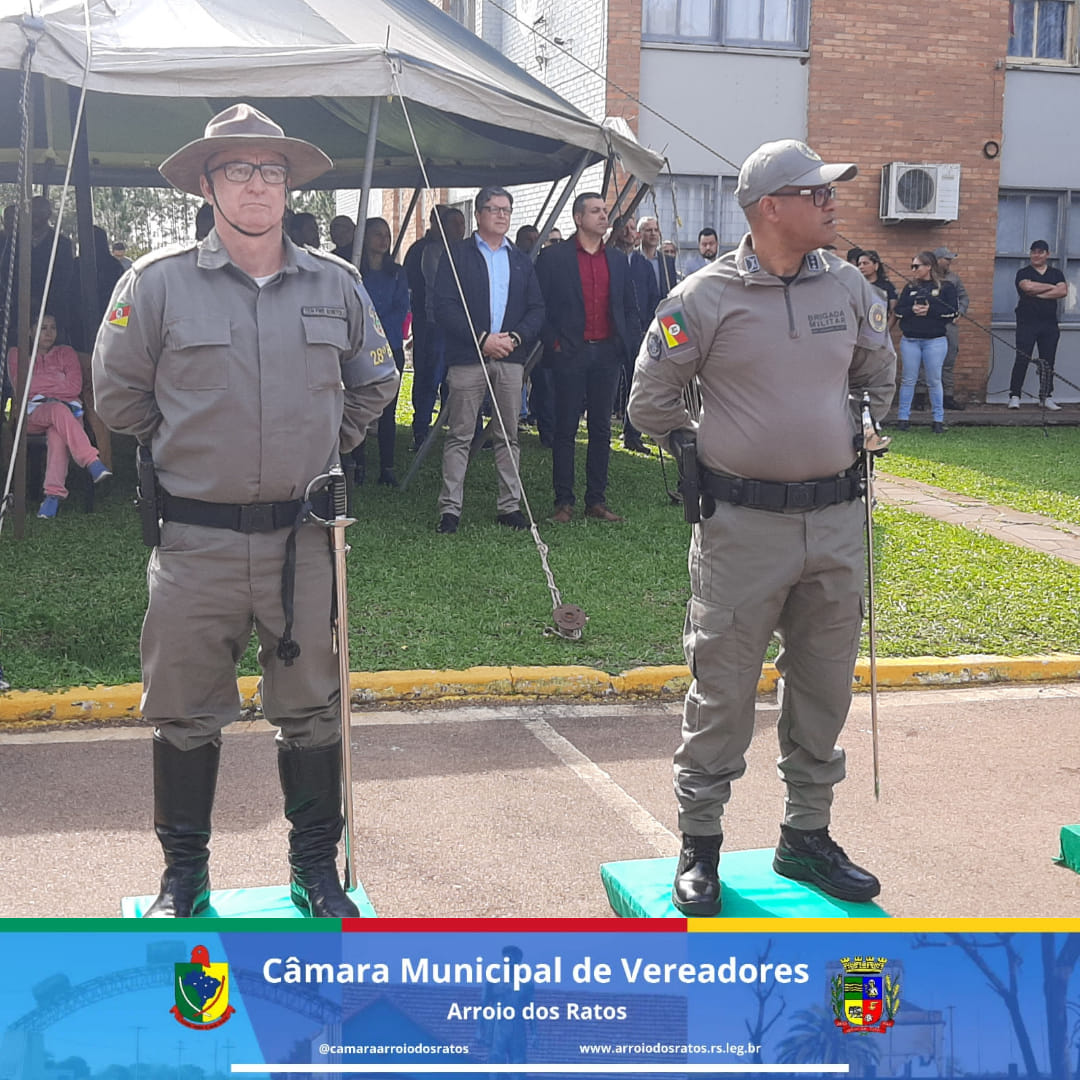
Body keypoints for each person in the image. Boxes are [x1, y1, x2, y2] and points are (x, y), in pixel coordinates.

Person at [92, 103, 399, 919]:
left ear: (289, 186)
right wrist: (198, 448)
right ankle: (183, 877)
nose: (257, 184)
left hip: (304, 541)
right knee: (186, 711)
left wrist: (321, 441)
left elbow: (375, 381)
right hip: (196, 541)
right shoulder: (154, 284)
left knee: (311, 709)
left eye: (271, 170)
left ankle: (315, 870)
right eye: (238, 169)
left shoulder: (337, 283)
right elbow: (119, 398)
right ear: (207, 183)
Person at [628, 138, 895, 916]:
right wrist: (701, 449)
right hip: (741, 528)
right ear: (769, 207)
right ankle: (699, 846)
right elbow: (650, 401)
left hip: (838, 520)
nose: (832, 204)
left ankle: (805, 836)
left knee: (823, 684)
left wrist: (859, 423)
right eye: (817, 194)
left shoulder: (845, 286)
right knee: (723, 690)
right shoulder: (701, 299)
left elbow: (877, 370)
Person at [433, 186, 544, 534]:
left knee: (508, 435)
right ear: (478, 214)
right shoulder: (457, 256)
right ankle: (450, 510)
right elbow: (444, 306)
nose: (501, 215)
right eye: (494, 209)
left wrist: (514, 338)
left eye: (507, 210)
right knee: (460, 435)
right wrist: (481, 338)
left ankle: (509, 506)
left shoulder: (520, 260)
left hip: (510, 358)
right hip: (469, 356)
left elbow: (537, 308)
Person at [536, 192, 641, 523]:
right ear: (578, 218)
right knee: (565, 429)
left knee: (600, 428)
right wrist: (554, 343)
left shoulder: (616, 260)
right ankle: (563, 502)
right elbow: (541, 306)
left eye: (605, 210)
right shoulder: (554, 258)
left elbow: (627, 306)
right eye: (595, 211)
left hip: (607, 352)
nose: (603, 216)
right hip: (570, 352)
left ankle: (596, 500)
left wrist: (626, 342)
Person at [9, 311, 111, 518]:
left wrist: (41, 383)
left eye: (53, 328)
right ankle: (91, 460)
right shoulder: (16, 354)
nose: (49, 333)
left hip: (68, 413)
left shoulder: (66, 353)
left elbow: (73, 387)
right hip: (33, 414)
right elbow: (22, 388)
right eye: (43, 328)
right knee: (58, 410)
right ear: (30, 331)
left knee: (57, 433)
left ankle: (52, 498)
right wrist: (57, 380)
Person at [349, 217, 410, 487]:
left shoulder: (397, 272)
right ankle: (358, 463)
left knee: (388, 411)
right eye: (377, 234)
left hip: (391, 346)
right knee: (360, 408)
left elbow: (401, 307)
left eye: (387, 234)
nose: (383, 239)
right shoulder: (353, 272)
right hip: (361, 348)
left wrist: (379, 329)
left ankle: (387, 467)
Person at [894, 251, 958, 433]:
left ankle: (938, 419)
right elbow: (899, 310)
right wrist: (912, 310)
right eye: (912, 266)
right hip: (911, 340)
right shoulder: (910, 287)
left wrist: (930, 310)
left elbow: (952, 312)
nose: (913, 270)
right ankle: (903, 418)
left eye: (917, 266)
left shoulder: (946, 287)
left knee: (934, 380)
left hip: (935, 341)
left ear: (928, 266)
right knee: (908, 379)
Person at [608, 215, 657, 454]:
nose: (629, 232)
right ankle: (603, 430)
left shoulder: (643, 265)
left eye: (631, 228)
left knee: (636, 384)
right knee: (609, 382)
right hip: (611, 330)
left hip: (637, 331)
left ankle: (632, 433)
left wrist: (648, 326)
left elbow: (653, 297)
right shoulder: (607, 258)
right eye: (624, 228)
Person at [1009, 239, 1067, 410]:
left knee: (1048, 360)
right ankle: (1014, 395)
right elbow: (1027, 287)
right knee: (1022, 358)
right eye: (1034, 251)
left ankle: (1046, 396)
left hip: (1049, 323)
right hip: (1027, 322)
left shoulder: (1056, 273)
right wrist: (1050, 288)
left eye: (1040, 252)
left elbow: (1062, 291)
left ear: (1047, 254)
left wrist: (1039, 291)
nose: (1036, 255)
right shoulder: (1023, 272)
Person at [932, 247, 970, 410]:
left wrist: (960, 311)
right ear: (937, 260)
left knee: (949, 359)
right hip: (930, 325)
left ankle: (948, 396)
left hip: (949, 325)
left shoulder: (954, 278)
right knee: (924, 362)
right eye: (947, 259)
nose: (949, 263)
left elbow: (964, 297)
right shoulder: (927, 277)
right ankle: (920, 396)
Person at [855, 250, 897, 326]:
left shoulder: (887, 286)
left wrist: (886, 331)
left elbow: (893, 312)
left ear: (876, 265)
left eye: (865, 263)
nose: (861, 267)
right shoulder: (856, 286)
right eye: (859, 264)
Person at [637, 215, 677, 294]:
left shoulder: (668, 262)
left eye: (656, 230)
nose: (653, 233)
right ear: (639, 234)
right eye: (649, 230)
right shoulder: (631, 258)